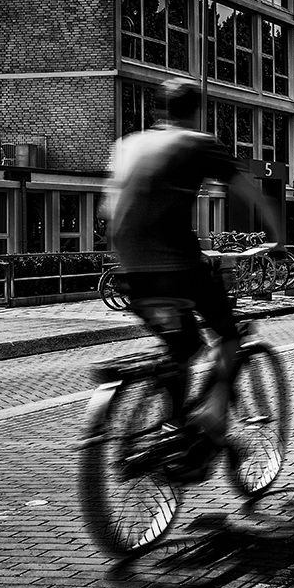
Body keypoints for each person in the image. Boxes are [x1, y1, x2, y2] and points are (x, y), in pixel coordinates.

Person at [104, 77, 257, 481]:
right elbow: (251, 193)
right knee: (228, 336)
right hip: (177, 270)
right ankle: (208, 420)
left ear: (160, 110)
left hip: (131, 274)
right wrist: (276, 239)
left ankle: (175, 434)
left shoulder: (128, 144)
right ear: (196, 111)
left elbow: (110, 208)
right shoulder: (198, 142)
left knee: (183, 349)